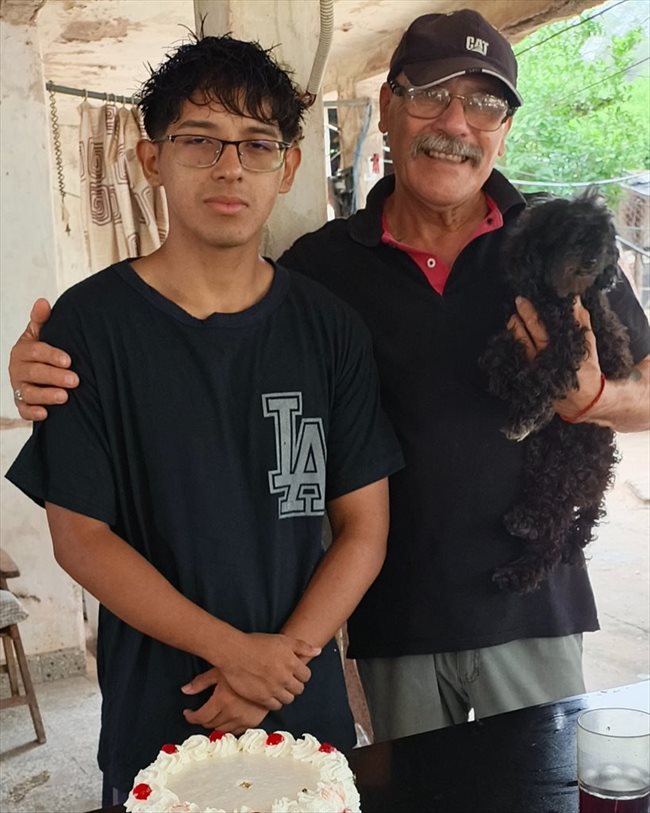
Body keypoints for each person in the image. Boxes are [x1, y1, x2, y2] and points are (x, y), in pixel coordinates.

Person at [8, 9, 650, 744]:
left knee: (541, 783)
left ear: (505, 128)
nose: (455, 122)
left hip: (533, 605)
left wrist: (597, 399)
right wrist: (44, 370)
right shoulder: (321, 272)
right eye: (431, 94)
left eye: (483, 103)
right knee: (416, 793)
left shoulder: (556, 242)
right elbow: (211, 345)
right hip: (392, 619)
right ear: (388, 106)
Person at [4, 34, 403, 805]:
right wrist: (235, 653)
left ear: (288, 166)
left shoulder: (330, 331)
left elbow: (364, 527)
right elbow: (80, 536)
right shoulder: (89, 330)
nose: (230, 167)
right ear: (151, 158)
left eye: (257, 144)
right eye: (200, 140)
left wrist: (279, 660)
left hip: (303, 703)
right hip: (161, 709)